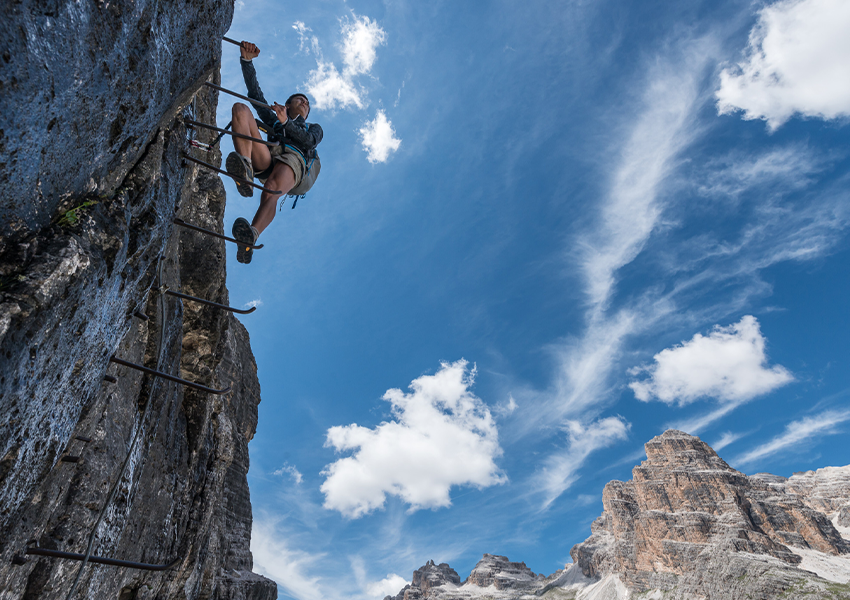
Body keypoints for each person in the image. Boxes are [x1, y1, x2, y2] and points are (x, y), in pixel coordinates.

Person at [226, 41, 323, 264]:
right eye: (300, 99)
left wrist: (286, 123)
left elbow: (309, 142)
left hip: (295, 160)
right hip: (271, 156)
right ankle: (245, 170)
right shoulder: (276, 119)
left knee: (270, 189)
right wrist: (246, 62)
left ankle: (251, 235)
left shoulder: (314, 128)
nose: (305, 102)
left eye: (307, 103)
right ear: (287, 105)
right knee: (241, 109)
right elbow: (256, 95)